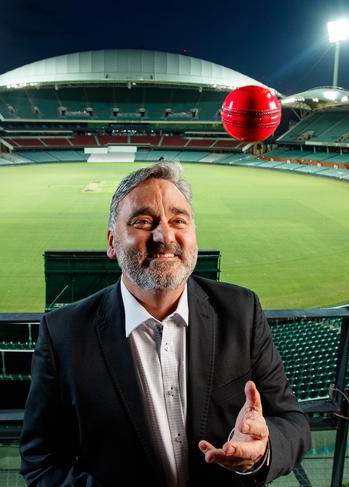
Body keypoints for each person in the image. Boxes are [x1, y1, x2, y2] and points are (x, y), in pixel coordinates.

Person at [20, 162, 310, 487]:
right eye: (144, 221)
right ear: (112, 242)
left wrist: (262, 451)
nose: (164, 235)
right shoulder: (63, 334)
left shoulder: (241, 311)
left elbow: (293, 422)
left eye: (178, 220)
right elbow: (41, 463)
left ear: (193, 234)